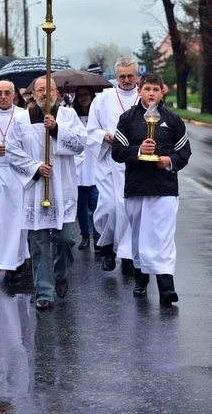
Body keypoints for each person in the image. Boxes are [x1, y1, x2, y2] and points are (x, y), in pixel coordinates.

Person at [6, 76, 87, 310]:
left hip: (63, 186)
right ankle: (43, 290)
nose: (44, 94)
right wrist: (35, 168)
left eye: (49, 89)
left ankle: (61, 272)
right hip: (36, 188)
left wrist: (57, 129)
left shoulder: (68, 116)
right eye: (40, 90)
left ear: (57, 92)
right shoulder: (22, 119)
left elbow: (81, 144)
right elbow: (12, 151)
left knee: (66, 239)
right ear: (32, 94)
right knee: (39, 242)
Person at [112, 72, 191, 305]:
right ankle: (141, 279)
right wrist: (138, 151)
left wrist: (170, 162)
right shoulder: (127, 119)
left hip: (165, 187)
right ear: (139, 91)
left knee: (163, 237)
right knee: (139, 236)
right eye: (147, 89)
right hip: (137, 187)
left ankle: (167, 287)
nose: (151, 94)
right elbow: (117, 151)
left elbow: (184, 151)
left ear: (162, 91)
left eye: (156, 90)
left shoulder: (173, 119)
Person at [87, 56, 139, 275]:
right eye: (122, 76)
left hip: (136, 165)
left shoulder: (144, 97)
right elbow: (91, 129)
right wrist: (104, 136)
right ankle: (107, 248)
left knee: (130, 211)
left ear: (137, 75)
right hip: (110, 162)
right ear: (115, 76)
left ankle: (127, 256)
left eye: (130, 75)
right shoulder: (104, 99)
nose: (126, 80)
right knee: (109, 206)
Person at [0, 80, 30, 283]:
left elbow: (30, 145)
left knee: (15, 222)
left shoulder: (23, 116)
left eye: (7, 93)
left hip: (15, 175)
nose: (2, 97)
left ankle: (16, 263)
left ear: (14, 95)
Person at [72, 86, 100, 250]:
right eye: (80, 95)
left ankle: (97, 234)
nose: (83, 98)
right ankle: (84, 234)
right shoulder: (72, 115)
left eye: (86, 94)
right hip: (78, 165)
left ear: (91, 96)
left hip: (95, 164)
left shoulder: (97, 115)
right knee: (80, 204)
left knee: (96, 201)